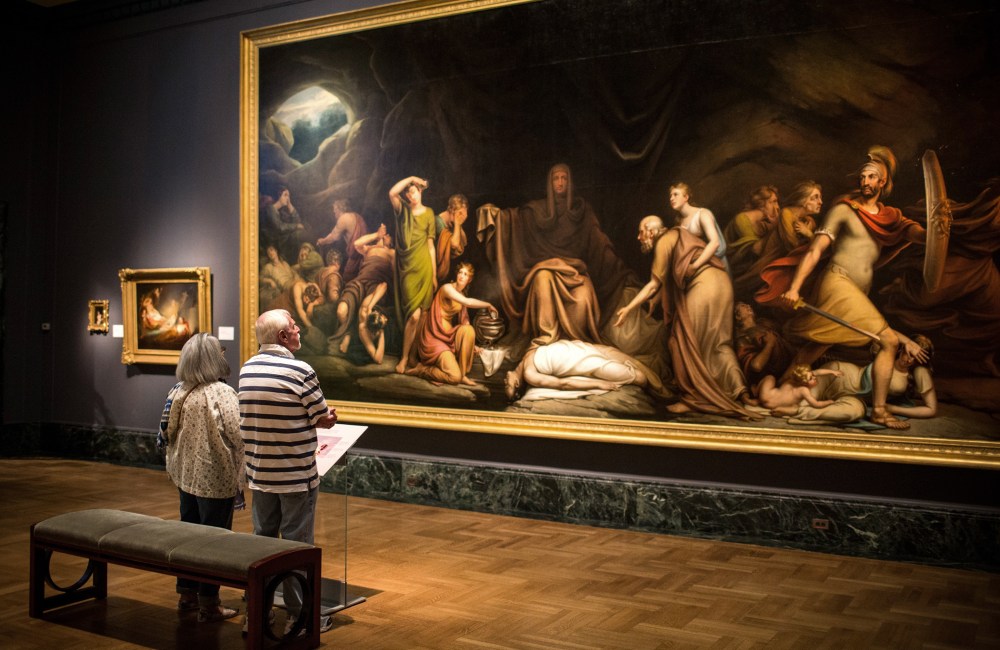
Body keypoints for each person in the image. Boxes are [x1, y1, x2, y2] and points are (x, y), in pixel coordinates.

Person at [763, 146, 928, 429]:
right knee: (888, 341)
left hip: (855, 292)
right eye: (862, 177)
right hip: (837, 283)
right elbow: (815, 250)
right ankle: (878, 411)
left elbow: (921, 236)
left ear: (883, 182)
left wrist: (938, 230)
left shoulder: (891, 217)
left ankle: (779, 396)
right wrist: (794, 287)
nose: (865, 181)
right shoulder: (843, 210)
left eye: (871, 177)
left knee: (815, 346)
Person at [239, 309, 338, 635]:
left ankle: (259, 610)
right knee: (297, 546)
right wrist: (328, 417)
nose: (299, 330)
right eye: (295, 326)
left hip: (261, 474)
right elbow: (322, 416)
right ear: (283, 336)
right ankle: (301, 615)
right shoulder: (301, 370)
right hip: (295, 474)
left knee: (262, 543)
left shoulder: (247, 369)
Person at [477, 163, 638, 345]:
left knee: (583, 298)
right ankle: (546, 338)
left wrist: (620, 270)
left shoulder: (581, 210)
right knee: (541, 278)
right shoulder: (538, 210)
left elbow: (599, 244)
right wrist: (496, 216)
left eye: (564, 178)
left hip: (575, 272)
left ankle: (572, 346)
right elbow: (516, 220)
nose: (560, 182)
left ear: (570, 182)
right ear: (550, 183)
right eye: (556, 178)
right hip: (546, 270)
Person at [614, 215, 758, 418]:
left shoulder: (664, 241)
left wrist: (628, 308)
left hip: (704, 285)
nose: (639, 237)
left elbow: (655, 283)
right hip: (721, 283)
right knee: (717, 344)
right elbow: (672, 277)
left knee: (681, 340)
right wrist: (657, 298)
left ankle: (694, 399)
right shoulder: (680, 234)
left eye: (641, 232)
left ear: (652, 231)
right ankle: (740, 392)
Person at [161, 333, 242, 623]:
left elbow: (165, 432)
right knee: (213, 543)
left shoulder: (179, 390)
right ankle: (210, 604)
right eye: (220, 351)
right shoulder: (221, 394)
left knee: (188, 535)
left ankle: (187, 595)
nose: (224, 355)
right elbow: (238, 435)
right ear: (211, 359)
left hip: (185, 475)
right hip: (215, 480)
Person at [783, 334, 937, 425]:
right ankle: (794, 408)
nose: (909, 360)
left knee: (854, 413)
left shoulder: (917, 373)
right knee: (793, 399)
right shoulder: (886, 353)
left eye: (915, 359)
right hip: (839, 375)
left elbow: (931, 409)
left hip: (855, 399)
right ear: (903, 349)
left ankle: (800, 414)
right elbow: (880, 329)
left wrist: (891, 408)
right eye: (909, 354)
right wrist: (907, 342)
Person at [406, 262, 498, 385]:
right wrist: (488, 305)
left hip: (448, 338)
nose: (461, 275)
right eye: (460, 272)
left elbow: (465, 322)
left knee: (469, 329)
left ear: (469, 279)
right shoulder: (447, 288)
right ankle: (422, 370)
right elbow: (467, 302)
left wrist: (472, 345)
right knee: (454, 378)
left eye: (465, 274)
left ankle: (462, 373)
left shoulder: (461, 295)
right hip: (434, 338)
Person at [734, 181, 822, 298]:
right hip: (767, 262)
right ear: (803, 200)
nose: (820, 202)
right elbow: (792, 245)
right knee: (744, 287)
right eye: (815, 198)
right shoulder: (786, 213)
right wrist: (809, 236)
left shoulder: (809, 221)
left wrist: (809, 234)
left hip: (786, 266)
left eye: (820, 198)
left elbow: (815, 247)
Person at [503, 339, 666, 401]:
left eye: (505, 384)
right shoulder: (530, 375)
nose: (505, 381)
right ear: (517, 384)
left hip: (583, 348)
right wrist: (599, 385)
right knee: (639, 377)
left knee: (626, 358)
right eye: (507, 386)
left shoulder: (526, 355)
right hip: (588, 363)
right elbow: (563, 384)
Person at [390, 175, 437, 374]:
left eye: (414, 190)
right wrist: (411, 178)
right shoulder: (403, 211)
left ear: (421, 192)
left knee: (423, 315)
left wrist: (434, 274)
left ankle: (412, 357)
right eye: (408, 192)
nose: (411, 194)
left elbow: (431, 246)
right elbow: (392, 192)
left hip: (425, 268)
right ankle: (404, 357)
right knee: (414, 316)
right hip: (408, 268)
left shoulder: (429, 214)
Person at [331, 225, 395, 356]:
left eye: (388, 236)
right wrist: (377, 235)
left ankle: (351, 338)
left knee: (365, 314)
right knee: (341, 311)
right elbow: (357, 243)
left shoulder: (391, 253)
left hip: (376, 284)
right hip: (359, 282)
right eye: (385, 235)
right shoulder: (369, 249)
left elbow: (394, 275)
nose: (386, 236)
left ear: (391, 242)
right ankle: (349, 333)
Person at [669, 182, 729, 273]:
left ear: (686, 197)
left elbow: (715, 243)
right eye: (670, 196)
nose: (671, 198)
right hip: (693, 265)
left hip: (714, 264)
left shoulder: (703, 214)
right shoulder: (679, 222)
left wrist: (694, 266)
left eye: (675, 195)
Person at [724, 185, 780, 279]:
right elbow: (753, 251)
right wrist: (776, 227)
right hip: (733, 267)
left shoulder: (765, 221)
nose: (777, 207)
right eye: (773, 202)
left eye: (777, 202)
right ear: (761, 203)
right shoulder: (742, 219)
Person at [756, 364, 843, 415]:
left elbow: (817, 372)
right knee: (796, 408)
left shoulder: (794, 380)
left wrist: (832, 372)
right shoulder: (803, 390)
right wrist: (829, 402)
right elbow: (816, 404)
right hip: (771, 405)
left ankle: (757, 398)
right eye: (811, 378)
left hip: (766, 395)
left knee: (770, 378)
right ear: (803, 382)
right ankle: (780, 409)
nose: (815, 377)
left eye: (813, 376)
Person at [316, 199, 368, 281]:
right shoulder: (354, 215)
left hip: (357, 253)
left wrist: (322, 241)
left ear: (339, 209)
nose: (334, 213)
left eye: (335, 210)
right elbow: (333, 233)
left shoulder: (343, 218)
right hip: (363, 251)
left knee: (348, 277)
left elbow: (334, 237)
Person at [262, 186, 307, 262]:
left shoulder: (282, 211)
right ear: (278, 196)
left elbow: (297, 221)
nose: (288, 198)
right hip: (274, 242)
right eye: (285, 195)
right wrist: (296, 226)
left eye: (288, 196)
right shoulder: (270, 209)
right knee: (296, 235)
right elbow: (280, 227)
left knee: (300, 233)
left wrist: (289, 205)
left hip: (282, 240)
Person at [435, 193, 469, 284]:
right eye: (459, 214)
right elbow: (454, 245)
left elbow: (464, 242)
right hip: (434, 272)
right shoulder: (438, 222)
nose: (460, 218)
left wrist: (459, 223)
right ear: (452, 210)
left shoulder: (452, 223)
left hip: (445, 273)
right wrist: (457, 223)